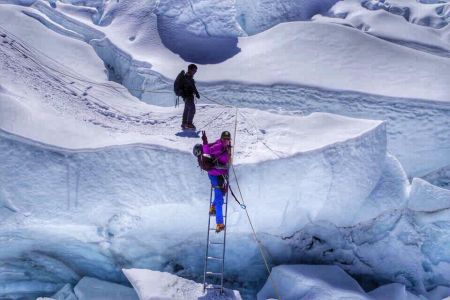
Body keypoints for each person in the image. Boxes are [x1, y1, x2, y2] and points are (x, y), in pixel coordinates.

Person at [201, 130, 232, 233]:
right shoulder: (219, 146)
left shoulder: (226, 147)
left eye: (228, 139)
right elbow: (207, 152)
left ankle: (213, 207)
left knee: (221, 194)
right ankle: (220, 224)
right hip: (215, 175)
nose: (227, 141)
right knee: (219, 200)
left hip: (220, 175)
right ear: (222, 138)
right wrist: (205, 142)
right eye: (225, 139)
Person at [181, 64, 200, 129]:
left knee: (186, 110)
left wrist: (195, 93)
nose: (195, 72)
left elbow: (191, 86)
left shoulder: (187, 76)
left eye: (195, 71)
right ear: (190, 69)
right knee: (192, 109)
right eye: (194, 70)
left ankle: (184, 123)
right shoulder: (188, 77)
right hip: (188, 96)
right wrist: (196, 93)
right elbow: (192, 86)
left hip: (186, 97)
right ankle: (189, 124)